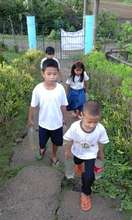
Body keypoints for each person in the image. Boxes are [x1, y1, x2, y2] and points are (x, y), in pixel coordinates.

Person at [63, 100, 109, 211]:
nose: (92, 125)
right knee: (77, 162)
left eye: (95, 122)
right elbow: (68, 139)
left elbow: (102, 141)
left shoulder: (100, 129)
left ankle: (85, 193)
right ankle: (79, 165)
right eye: (89, 122)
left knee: (89, 177)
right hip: (77, 152)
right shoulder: (75, 127)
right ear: (81, 115)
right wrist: (68, 150)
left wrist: (101, 152)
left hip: (91, 154)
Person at [28, 58, 68, 165]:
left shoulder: (60, 89)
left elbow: (64, 105)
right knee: (42, 142)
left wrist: (64, 119)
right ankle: (42, 149)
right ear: (43, 74)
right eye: (48, 73)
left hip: (57, 124)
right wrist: (30, 119)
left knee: (56, 142)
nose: (52, 76)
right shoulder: (38, 89)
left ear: (58, 74)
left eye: (54, 74)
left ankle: (54, 155)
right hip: (43, 124)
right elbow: (33, 106)